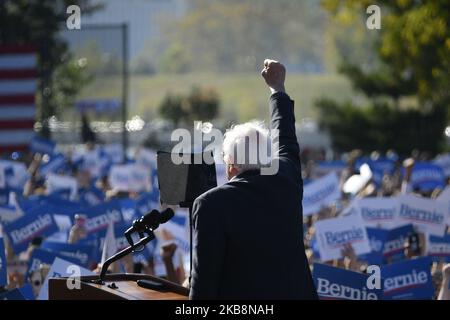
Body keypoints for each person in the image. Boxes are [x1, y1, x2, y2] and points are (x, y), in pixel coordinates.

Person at [189, 59, 317, 300]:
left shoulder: (210, 204)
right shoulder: (287, 180)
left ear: (230, 167)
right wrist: (277, 88)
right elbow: (286, 138)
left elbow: (204, 280)